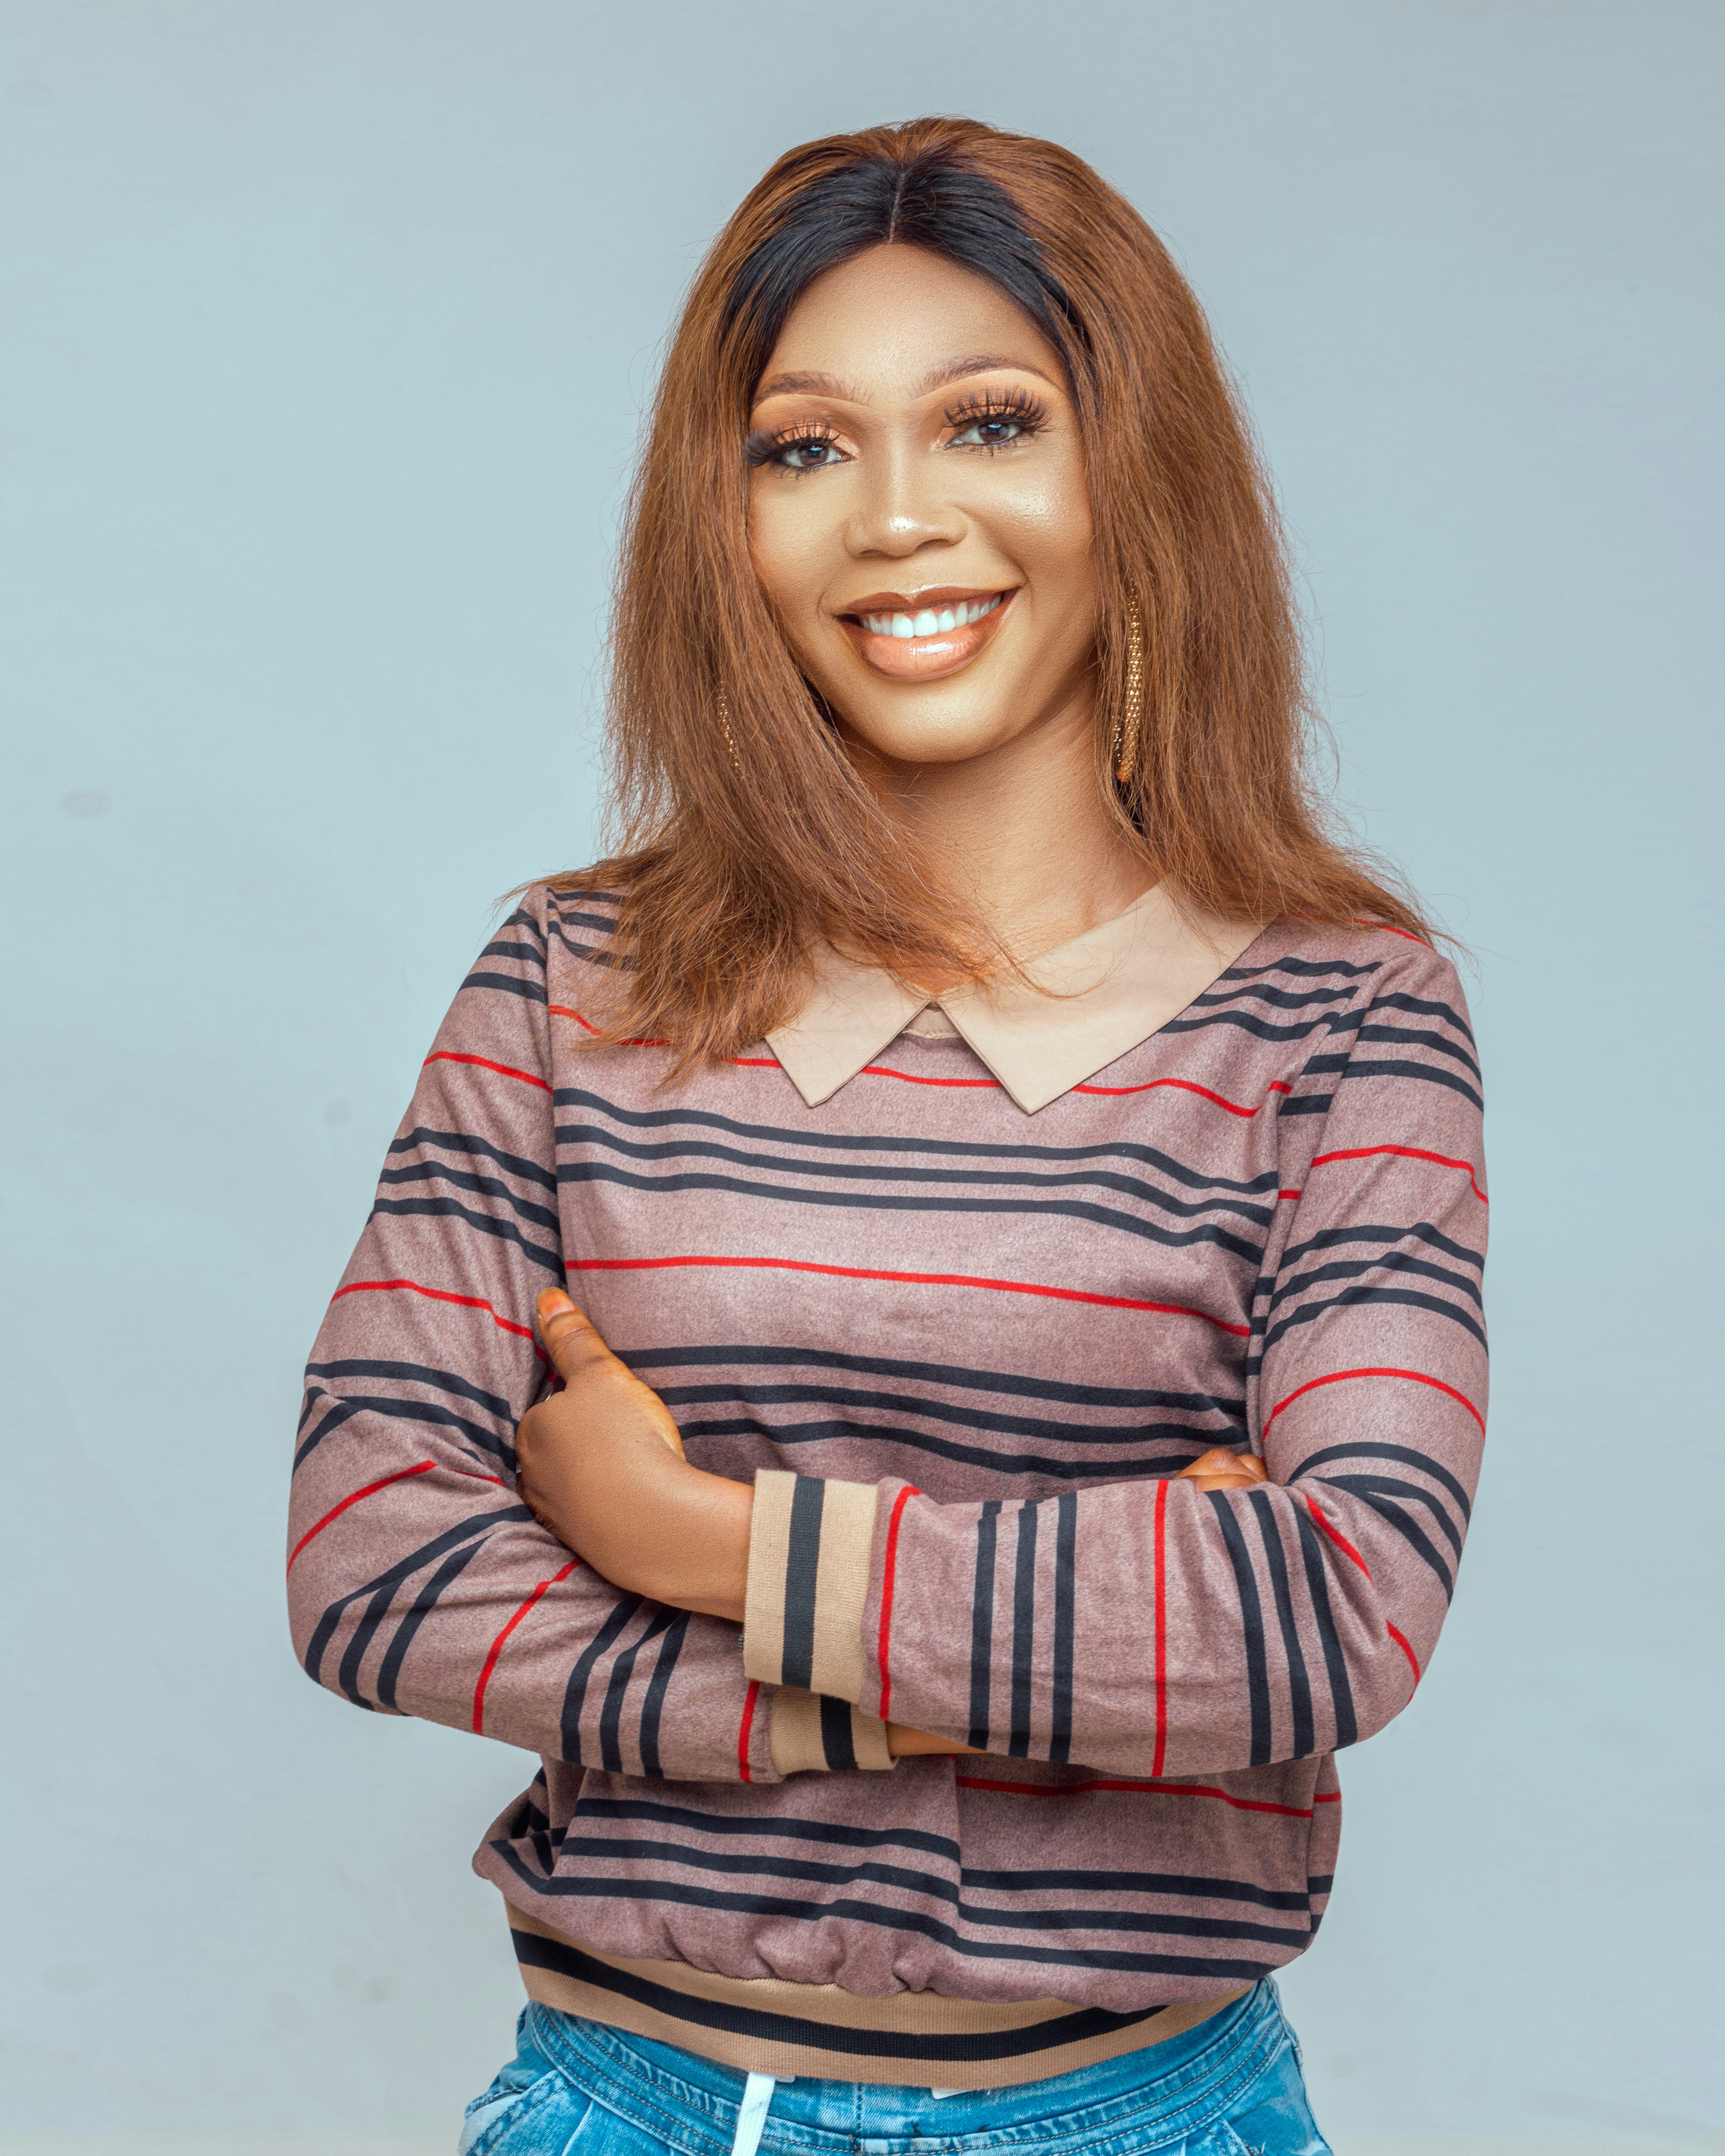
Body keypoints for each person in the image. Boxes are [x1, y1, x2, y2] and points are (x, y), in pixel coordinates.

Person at [289, 117, 1487, 2156]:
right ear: (725, 515)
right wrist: (1022, 1660)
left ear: (1138, 471)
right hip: (628, 2101)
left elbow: (1323, 1614)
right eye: (805, 447)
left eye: (991, 420)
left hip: (1138, 2113)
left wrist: (698, 1542)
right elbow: (369, 1555)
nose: (897, 519)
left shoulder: (1343, 1008)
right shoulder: (566, 983)